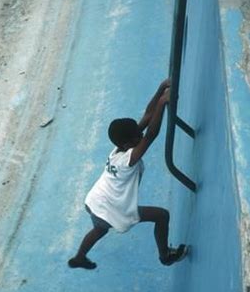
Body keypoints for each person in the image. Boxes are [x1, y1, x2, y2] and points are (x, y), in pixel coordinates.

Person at [68, 79, 188, 270]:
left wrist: (160, 91)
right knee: (162, 216)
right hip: (116, 207)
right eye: (136, 138)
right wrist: (163, 103)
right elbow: (151, 135)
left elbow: (148, 116)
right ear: (126, 144)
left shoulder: (118, 150)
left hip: (96, 200)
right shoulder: (127, 160)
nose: (140, 137)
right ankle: (165, 255)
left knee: (99, 228)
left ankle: (79, 257)